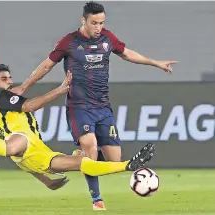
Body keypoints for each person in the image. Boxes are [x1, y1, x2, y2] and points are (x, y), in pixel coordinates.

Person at [10, 1, 177, 210]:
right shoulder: (69, 42)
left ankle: (79, 157)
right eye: (94, 23)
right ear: (84, 20)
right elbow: (46, 65)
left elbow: (127, 53)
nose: (98, 27)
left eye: (101, 23)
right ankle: (97, 199)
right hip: (79, 107)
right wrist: (24, 87)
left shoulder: (107, 38)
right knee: (90, 147)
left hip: (103, 108)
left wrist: (156, 63)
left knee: (114, 159)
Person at [0, 64, 155, 194]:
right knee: (15, 144)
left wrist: (46, 181)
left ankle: (129, 165)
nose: (10, 82)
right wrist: (61, 89)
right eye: (4, 79)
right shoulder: (2, 99)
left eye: (10, 78)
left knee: (84, 164)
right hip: (21, 142)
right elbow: (30, 104)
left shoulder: (9, 100)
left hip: (38, 153)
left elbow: (25, 162)